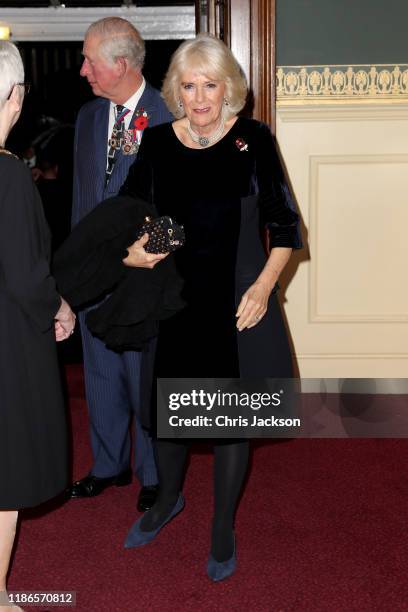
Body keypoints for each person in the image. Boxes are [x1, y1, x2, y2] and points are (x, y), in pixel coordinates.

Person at [119, 34, 302, 581]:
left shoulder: (253, 140)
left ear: (229, 88)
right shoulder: (155, 145)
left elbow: (287, 226)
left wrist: (265, 286)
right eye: (189, 85)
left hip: (237, 300)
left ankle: (223, 525)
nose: (200, 97)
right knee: (172, 419)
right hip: (176, 300)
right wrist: (136, 252)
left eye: (210, 84)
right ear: (175, 89)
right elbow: (131, 217)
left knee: (228, 423)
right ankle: (168, 498)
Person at [67, 17, 173, 512]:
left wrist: (146, 258)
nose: (83, 69)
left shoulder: (169, 112)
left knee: (142, 375)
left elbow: (178, 208)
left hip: (141, 276)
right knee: (100, 374)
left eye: (91, 60)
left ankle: (155, 475)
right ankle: (109, 464)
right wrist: (70, 277)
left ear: (122, 64)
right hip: (93, 276)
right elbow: (81, 204)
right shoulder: (89, 117)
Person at [0, 41, 76, 610]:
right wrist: (60, 307)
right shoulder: (8, 177)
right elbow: (27, 277)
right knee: (6, 474)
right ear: (15, 97)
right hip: (6, 342)